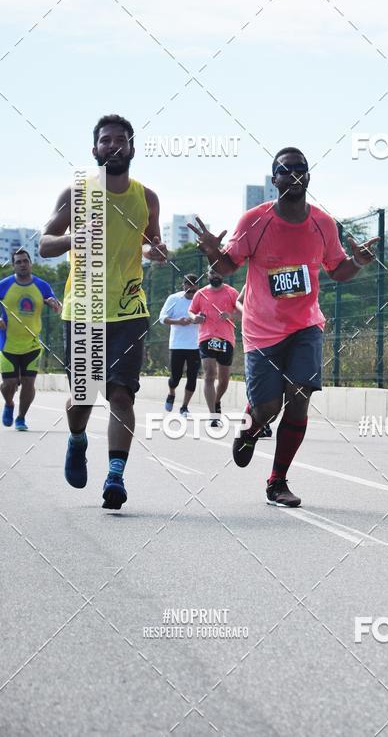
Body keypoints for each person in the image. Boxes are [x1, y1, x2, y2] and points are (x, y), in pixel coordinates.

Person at [188, 147, 378, 507]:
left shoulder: (323, 223)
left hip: (306, 325)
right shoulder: (254, 221)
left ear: (308, 176)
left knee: (300, 396)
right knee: (267, 407)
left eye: (300, 169)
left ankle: (277, 481)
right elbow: (228, 266)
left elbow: (337, 271)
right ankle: (250, 426)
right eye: (284, 169)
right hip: (261, 329)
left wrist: (357, 261)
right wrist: (213, 252)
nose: (293, 174)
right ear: (274, 179)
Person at [40, 114, 167, 510]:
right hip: (84, 309)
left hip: (129, 310)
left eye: (120, 140)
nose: (113, 146)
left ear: (132, 147)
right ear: (94, 149)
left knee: (121, 395)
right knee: (84, 397)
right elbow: (44, 244)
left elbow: (151, 243)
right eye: (105, 140)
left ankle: (115, 475)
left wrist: (157, 252)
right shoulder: (77, 193)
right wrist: (72, 237)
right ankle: (77, 441)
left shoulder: (147, 198)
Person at [0, 249, 61, 430]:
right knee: (8, 384)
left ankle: (21, 417)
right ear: (13, 265)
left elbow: (58, 307)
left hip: (32, 343)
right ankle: (9, 403)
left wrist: (53, 304)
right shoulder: (4, 285)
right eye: (18, 262)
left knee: (28, 383)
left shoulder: (41, 286)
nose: (22, 264)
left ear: (30, 263)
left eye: (25, 261)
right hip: (7, 343)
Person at [188, 268, 240, 427]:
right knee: (209, 374)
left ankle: (216, 401)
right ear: (208, 275)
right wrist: (195, 318)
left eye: (218, 273)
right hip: (206, 336)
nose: (215, 275)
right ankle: (213, 415)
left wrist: (230, 315)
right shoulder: (201, 293)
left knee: (224, 380)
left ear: (223, 274)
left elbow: (243, 313)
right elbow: (191, 311)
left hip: (226, 338)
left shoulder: (232, 292)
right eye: (212, 273)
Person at [158, 273, 201, 417]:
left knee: (192, 376)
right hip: (177, 344)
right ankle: (171, 393)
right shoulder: (174, 299)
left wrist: (200, 319)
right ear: (184, 286)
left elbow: (208, 317)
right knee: (175, 377)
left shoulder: (202, 298)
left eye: (194, 289)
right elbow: (162, 318)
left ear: (197, 287)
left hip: (196, 345)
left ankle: (184, 407)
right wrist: (178, 321)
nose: (191, 292)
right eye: (188, 287)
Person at [235, 283, 271, 439]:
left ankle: (262, 422)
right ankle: (260, 424)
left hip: (279, 336)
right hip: (256, 339)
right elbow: (238, 301)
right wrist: (247, 312)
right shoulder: (252, 281)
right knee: (257, 385)